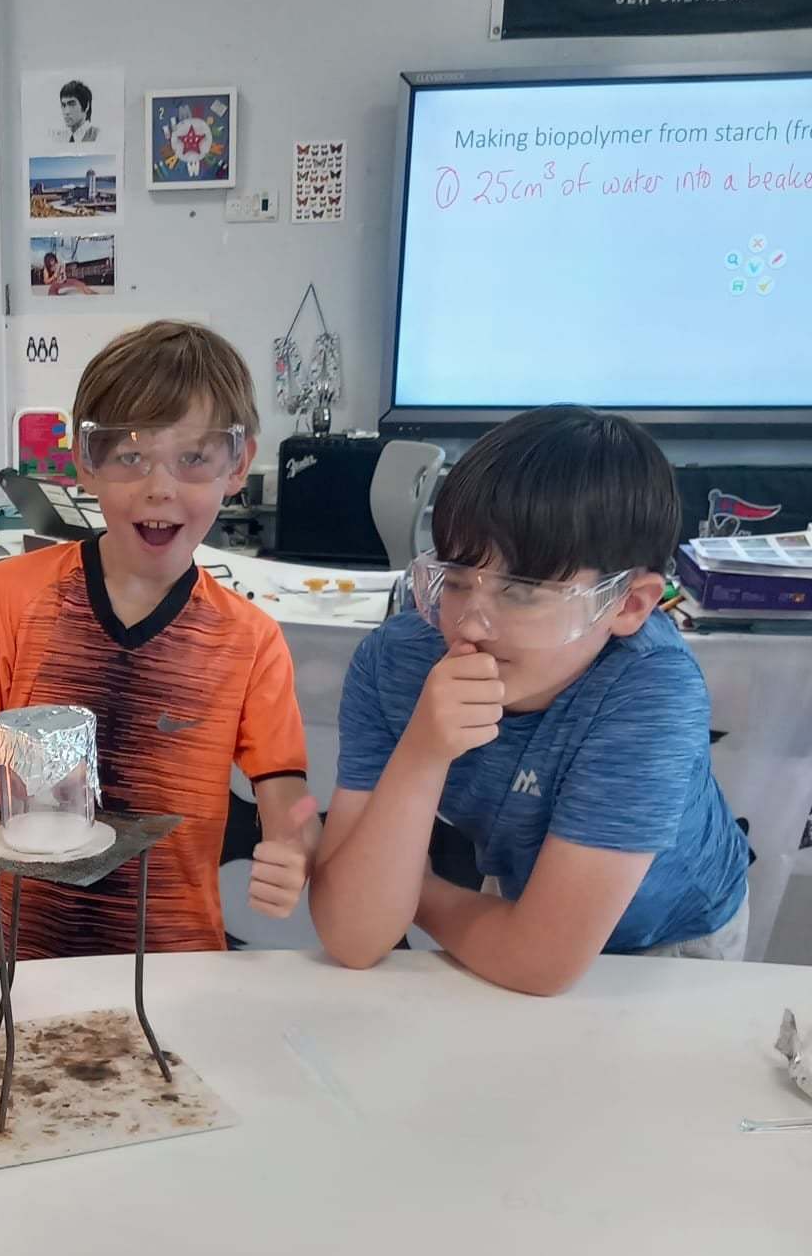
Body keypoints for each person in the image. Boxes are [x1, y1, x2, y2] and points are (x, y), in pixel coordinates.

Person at [311, 405, 750, 996]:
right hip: (522, 898)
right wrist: (422, 752)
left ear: (628, 605)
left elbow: (540, 963)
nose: (471, 622)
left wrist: (421, 890)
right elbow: (352, 936)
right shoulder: (398, 663)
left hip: (673, 937)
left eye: (523, 590)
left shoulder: (650, 695)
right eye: (457, 578)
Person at [0, 320, 319, 960]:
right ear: (86, 461)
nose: (160, 487)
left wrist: (295, 845)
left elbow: (286, 794)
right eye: (130, 455)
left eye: (194, 457)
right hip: (28, 966)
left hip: (179, 965)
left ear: (238, 464)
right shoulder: (9, 599)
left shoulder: (251, 640)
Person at [55, 79, 98, 144]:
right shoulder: (60, 138)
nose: (66, 112)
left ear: (86, 106)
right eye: (63, 105)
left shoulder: (98, 137)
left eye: (72, 104)